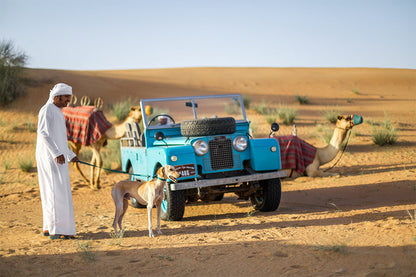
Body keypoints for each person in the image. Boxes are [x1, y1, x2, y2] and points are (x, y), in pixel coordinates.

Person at [36, 83, 79, 240]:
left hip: (58, 157)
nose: (68, 100)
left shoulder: (58, 112)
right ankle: (56, 230)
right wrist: (56, 153)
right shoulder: (47, 110)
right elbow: (43, 133)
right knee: (54, 191)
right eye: (66, 97)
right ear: (57, 97)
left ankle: (50, 227)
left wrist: (70, 154)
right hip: (49, 157)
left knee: (58, 191)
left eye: (69, 97)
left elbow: (60, 139)